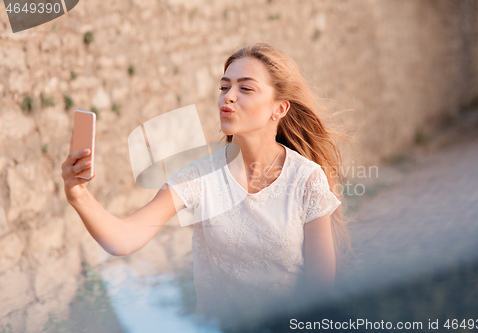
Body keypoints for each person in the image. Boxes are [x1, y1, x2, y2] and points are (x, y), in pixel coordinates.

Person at [61, 42, 351, 330]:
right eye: (224, 87)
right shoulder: (199, 177)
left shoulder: (307, 179)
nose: (229, 97)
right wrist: (78, 194)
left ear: (280, 108)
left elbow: (319, 287)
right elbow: (123, 239)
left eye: (245, 88)